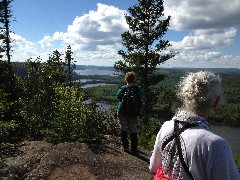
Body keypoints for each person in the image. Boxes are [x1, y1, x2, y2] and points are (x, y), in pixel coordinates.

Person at [149, 71, 240, 180]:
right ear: (216, 102)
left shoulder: (166, 127)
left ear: (183, 98)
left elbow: (153, 168)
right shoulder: (215, 145)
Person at [116, 71, 144, 154]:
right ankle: (134, 149)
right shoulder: (138, 89)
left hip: (122, 112)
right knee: (133, 130)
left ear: (126, 79)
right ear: (133, 79)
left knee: (123, 129)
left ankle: (125, 147)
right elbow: (141, 95)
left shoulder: (123, 88)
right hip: (133, 114)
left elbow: (118, 96)